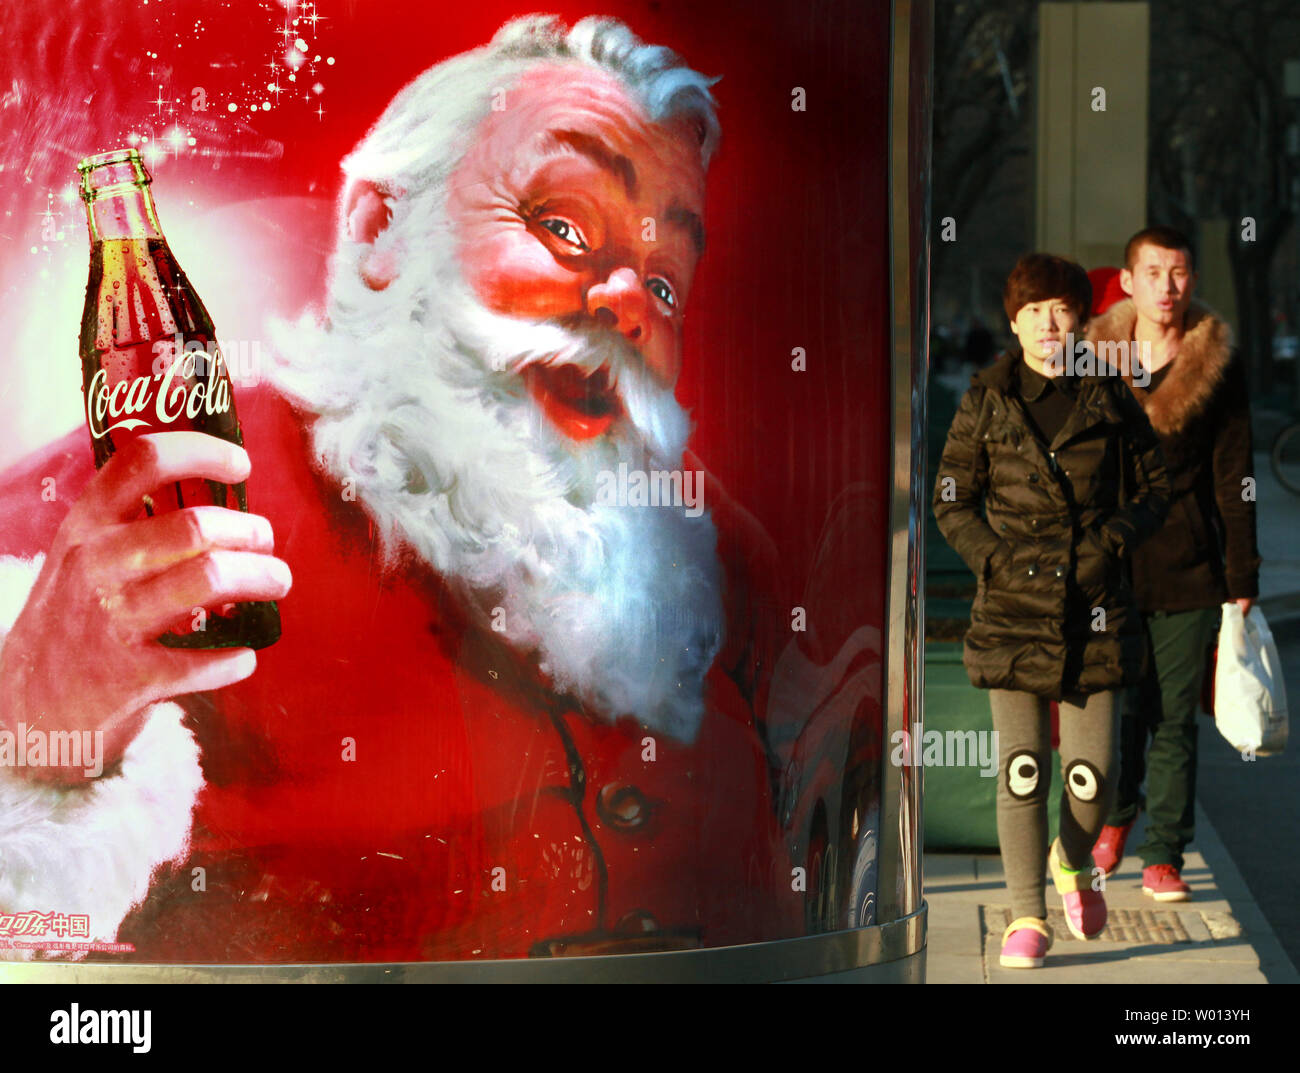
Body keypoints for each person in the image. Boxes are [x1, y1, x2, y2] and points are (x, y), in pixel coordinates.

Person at [0, 16, 803, 960]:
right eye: (562, 223)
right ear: (380, 229)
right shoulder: (135, 491)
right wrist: (29, 734)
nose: (630, 301)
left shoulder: (716, 548)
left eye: (665, 283)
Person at [933, 253, 1170, 968]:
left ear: (1081, 319)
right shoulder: (987, 398)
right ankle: (1026, 914)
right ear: (1014, 322)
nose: (1049, 323)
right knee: (1024, 767)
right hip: (1012, 612)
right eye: (1034, 310)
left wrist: (1113, 541)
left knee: (1094, 775)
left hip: (1096, 612)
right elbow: (951, 496)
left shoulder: (1108, 395)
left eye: (1063, 308)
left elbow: (1154, 488)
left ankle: (1073, 859)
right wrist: (994, 559)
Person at [1087, 226, 1261, 901]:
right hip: (1111, 563)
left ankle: (1164, 851)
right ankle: (1118, 814)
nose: (1168, 286)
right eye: (1154, 271)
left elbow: (1235, 474)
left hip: (1189, 566)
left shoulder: (1216, 362)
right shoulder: (1094, 359)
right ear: (1128, 282)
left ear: (1193, 279)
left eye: (1180, 272)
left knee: (1174, 718)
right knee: (1120, 706)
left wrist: (1242, 574)